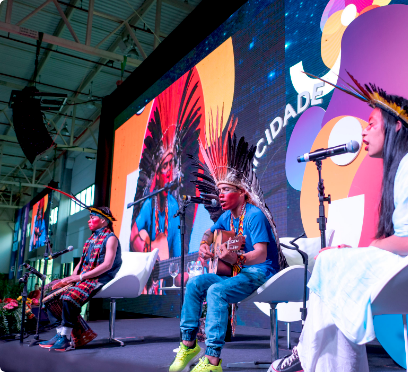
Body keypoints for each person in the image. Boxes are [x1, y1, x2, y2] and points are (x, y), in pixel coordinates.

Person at [271, 80, 408, 372]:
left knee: (330, 264)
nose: (364, 131)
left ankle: (308, 352)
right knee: (334, 262)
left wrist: (367, 248)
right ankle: (310, 352)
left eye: (371, 124)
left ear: (396, 125)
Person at [169, 120, 288, 372]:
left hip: (260, 273)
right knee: (194, 283)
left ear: (243, 193)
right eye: (219, 190)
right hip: (241, 273)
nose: (220, 194)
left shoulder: (254, 215)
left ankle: (213, 361)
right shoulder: (227, 216)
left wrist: (238, 260)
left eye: (225, 190)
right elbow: (209, 232)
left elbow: (262, 254)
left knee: (215, 292)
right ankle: (189, 344)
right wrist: (204, 244)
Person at [130, 69, 201, 293]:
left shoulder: (174, 206)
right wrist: (144, 246)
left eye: (171, 165)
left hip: (166, 273)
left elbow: (178, 248)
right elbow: (134, 233)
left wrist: (182, 269)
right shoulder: (150, 203)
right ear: (157, 172)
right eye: (164, 166)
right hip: (150, 272)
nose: (169, 172)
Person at [39, 207, 122, 352]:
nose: (89, 221)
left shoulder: (111, 238)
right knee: (50, 295)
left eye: (92, 218)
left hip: (100, 278)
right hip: (86, 277)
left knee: (68, 297)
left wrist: (81, 277)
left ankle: (65, 338)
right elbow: (82, 261)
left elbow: (107, 265)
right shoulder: (91, 238)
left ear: (103, 220)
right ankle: (59, 334)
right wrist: (72, 277)